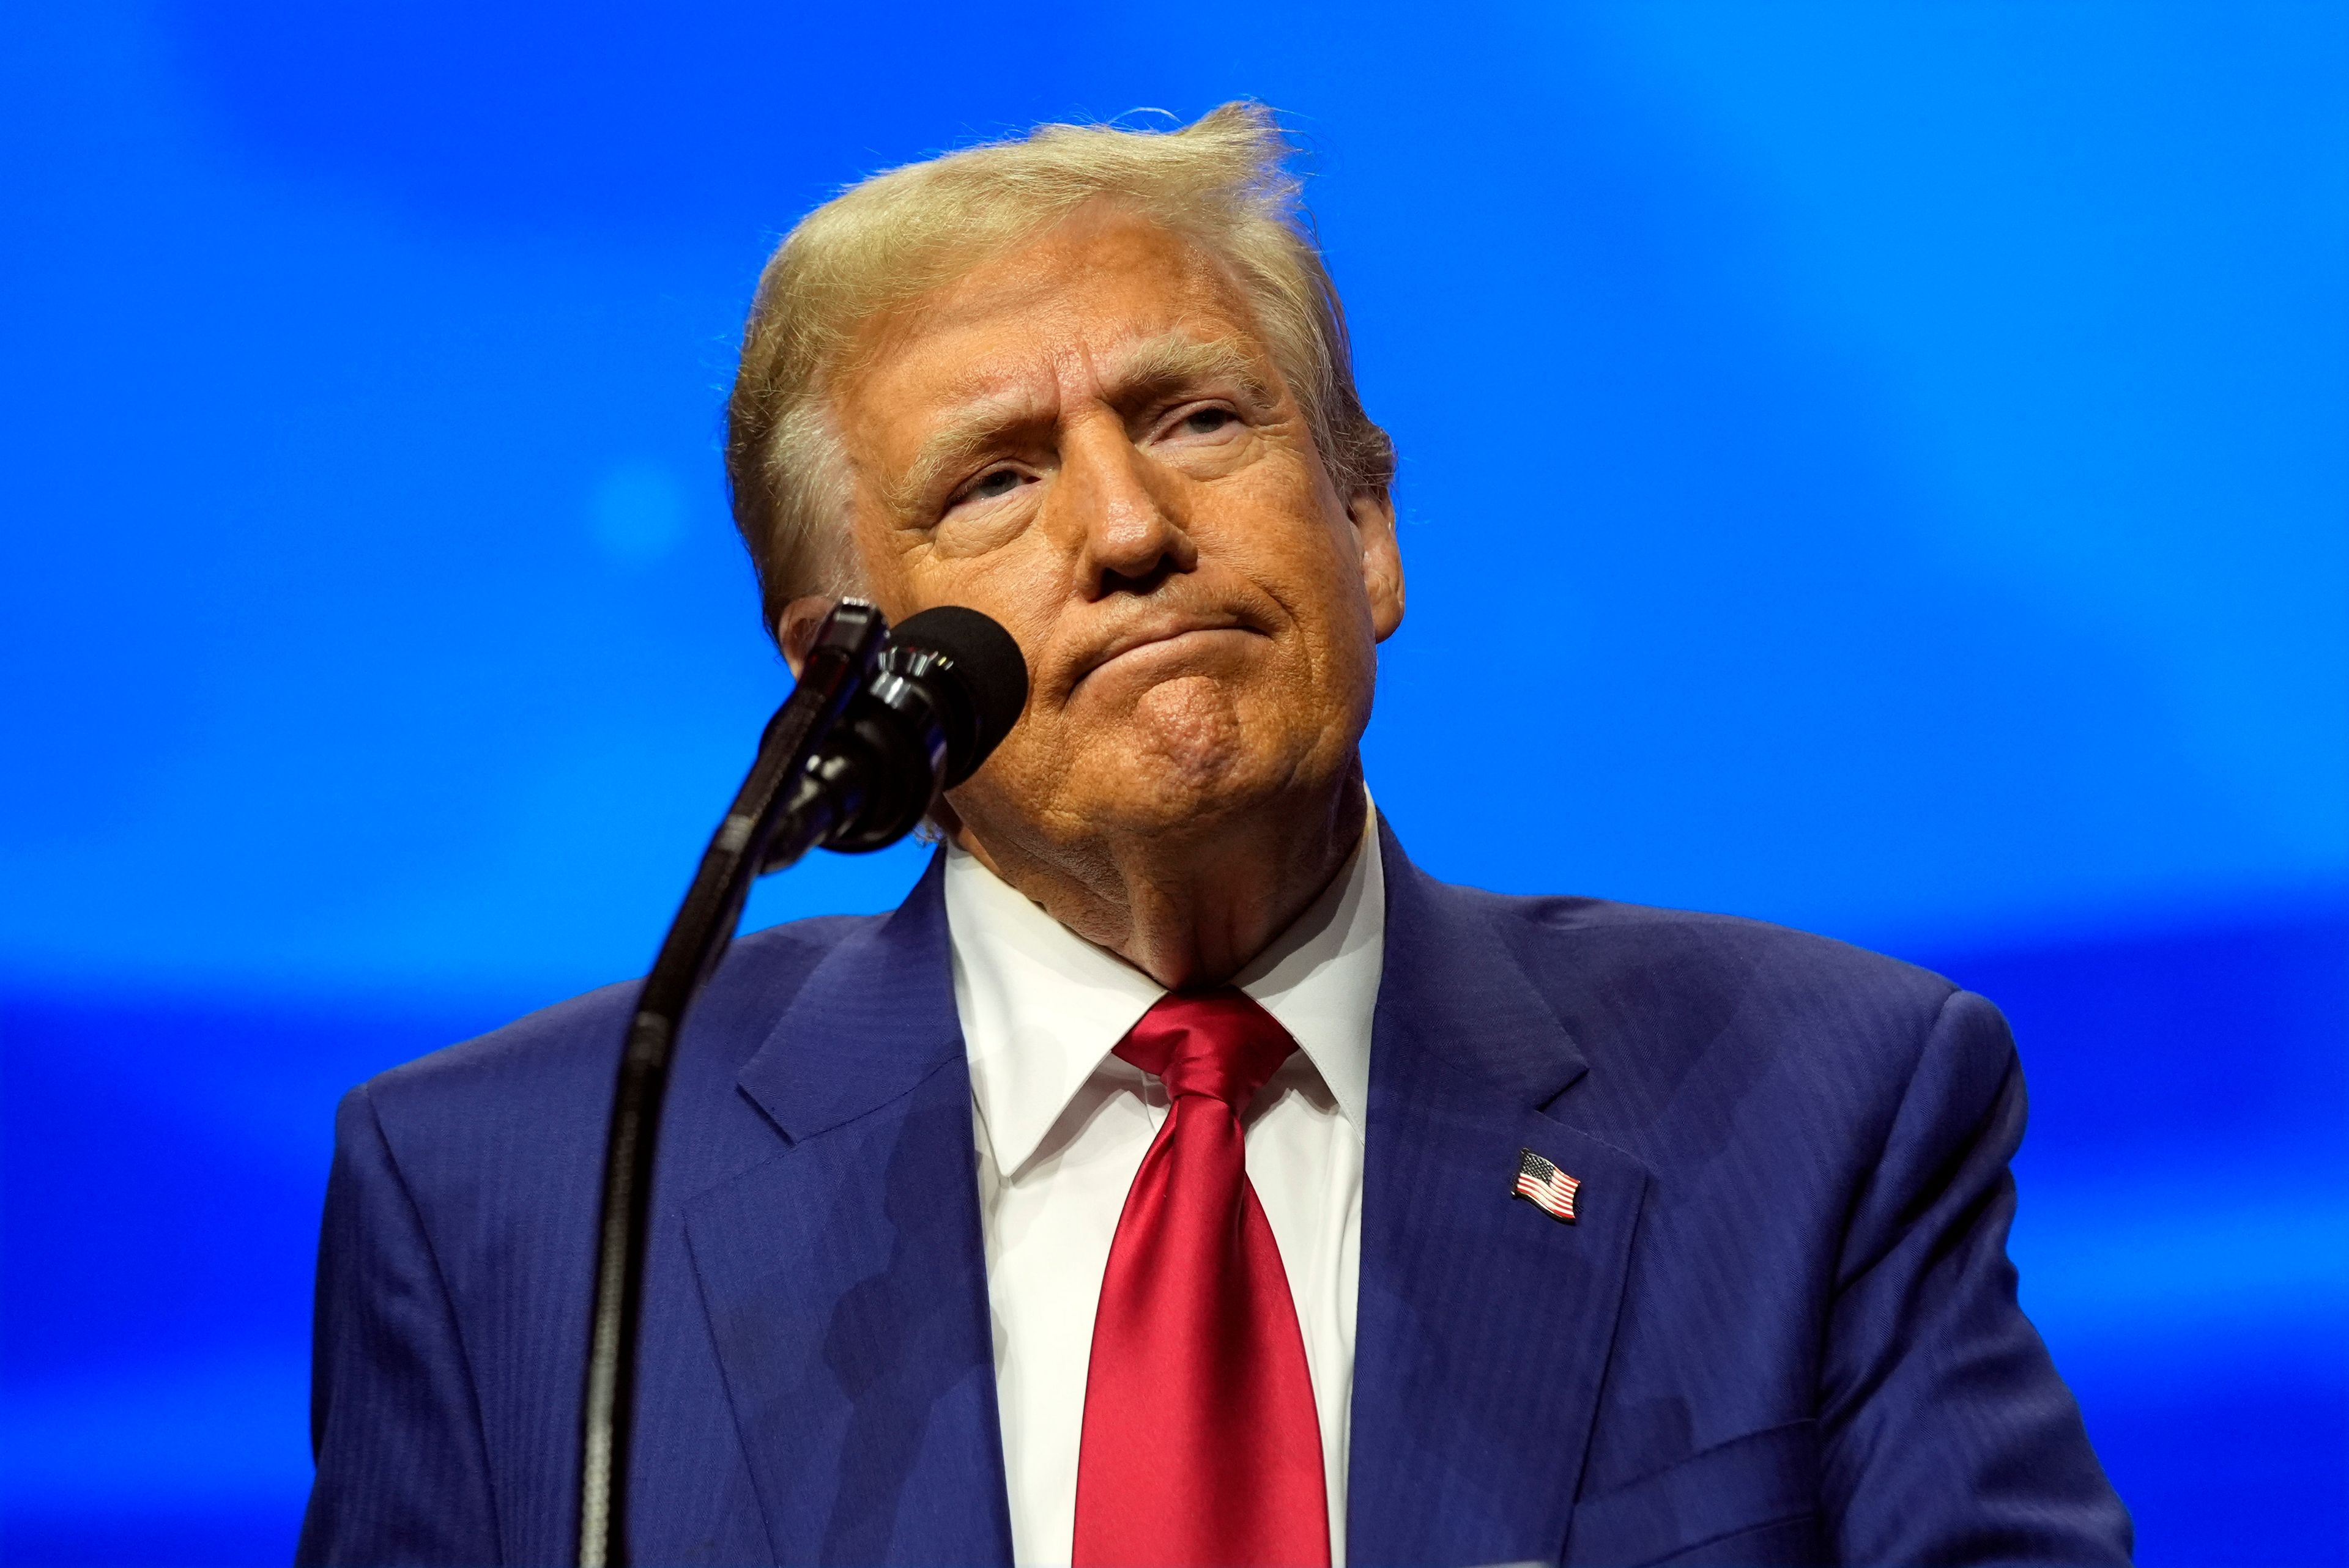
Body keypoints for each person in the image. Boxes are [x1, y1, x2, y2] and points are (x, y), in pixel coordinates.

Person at [297, 103, 2131, 1567]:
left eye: (1198, 416)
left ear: (1369, 527)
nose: (1127, 527)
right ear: (853, 677)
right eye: (997, 476)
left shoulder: (1821, 1105)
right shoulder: (516, 1202)